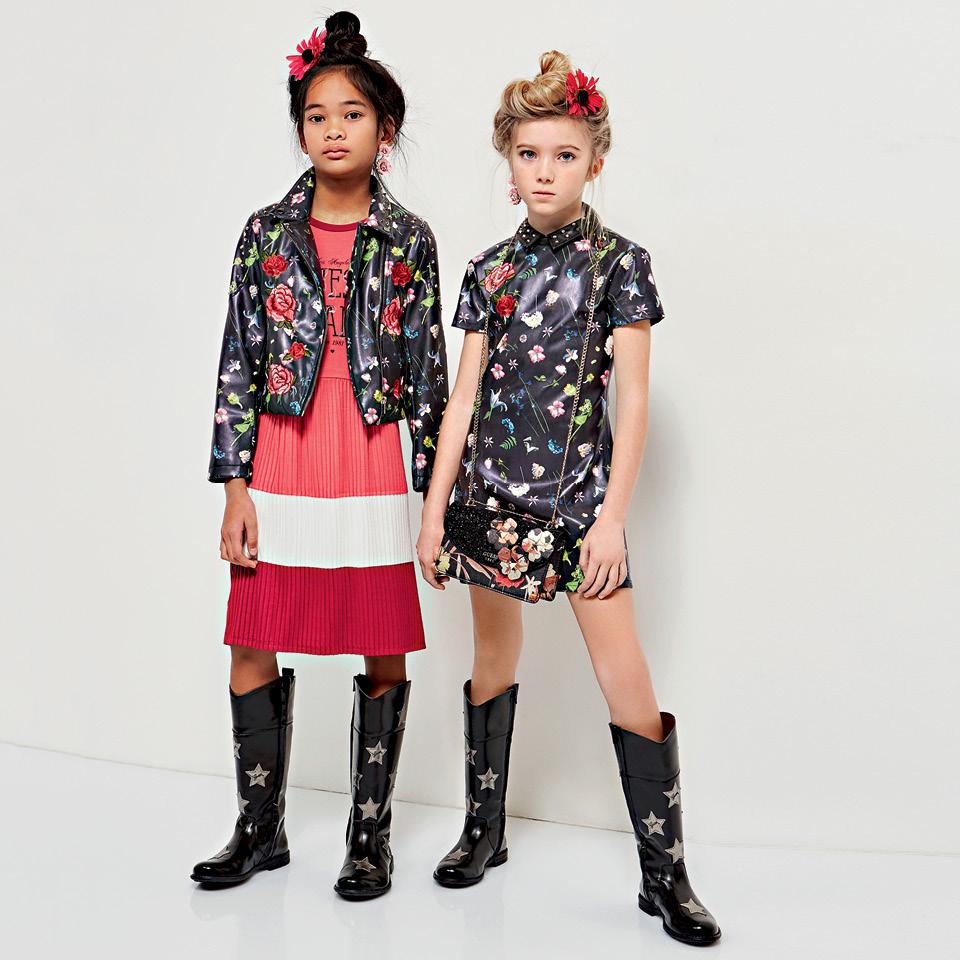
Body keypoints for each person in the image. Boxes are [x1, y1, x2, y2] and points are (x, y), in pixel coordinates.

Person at [415, 51, 720, 946]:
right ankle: (484, 829)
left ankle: (665, 873)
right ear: (508, 164)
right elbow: (462, 402)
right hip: (488, 500)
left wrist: (613, 519)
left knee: (625, 674)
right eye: (529, 154)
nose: (545, 171)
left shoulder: (622, 265)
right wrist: (433, 514)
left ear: (595, 162)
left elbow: (633, 402)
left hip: (583, 506)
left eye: (564, 154)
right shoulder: (488, 270)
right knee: (493, 657)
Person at [191, 11, 448, 901]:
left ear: (386, 129)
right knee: (253, 636)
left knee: (382, 644)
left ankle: (369, 838)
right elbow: (237, 359)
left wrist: (435, 505)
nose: (333, 129)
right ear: (300, 128)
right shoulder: (265, 232)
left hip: (372, 456)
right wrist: (235, 487)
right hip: (282, 456)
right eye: (316, 115)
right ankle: (258, 829)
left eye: (352, 114)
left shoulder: (410, 240)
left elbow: (430, 379)